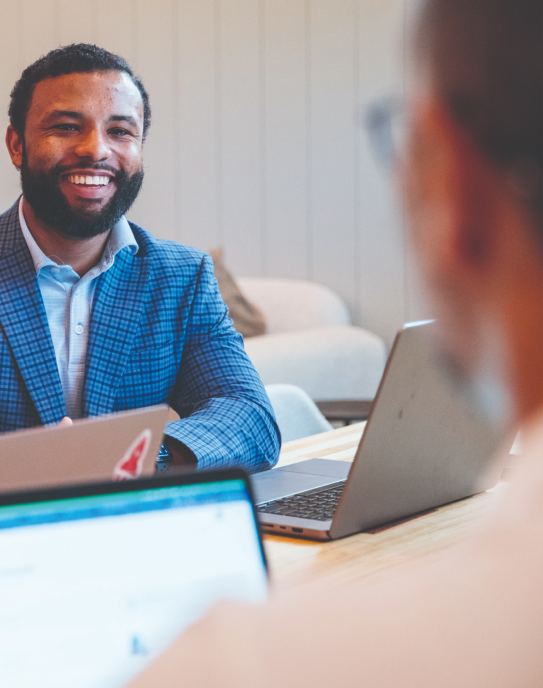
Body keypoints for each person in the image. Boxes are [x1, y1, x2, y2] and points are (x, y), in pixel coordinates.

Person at [127, 0, 543, 685]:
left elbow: (249, 413)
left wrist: (158, 453)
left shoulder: (243, 664)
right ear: (15, 143)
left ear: (455, 184)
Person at [0, 44, 280, 483]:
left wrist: (133, 459)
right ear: (17, 145)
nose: (95, 150)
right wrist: (42, 476)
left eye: (120, 131)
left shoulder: (181, 277)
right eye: (67, 127)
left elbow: (249, 418)